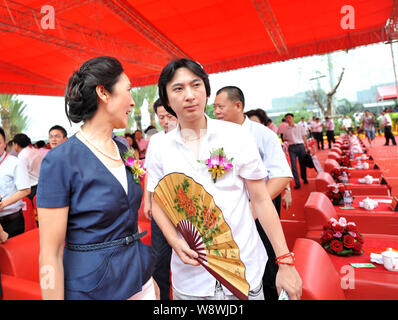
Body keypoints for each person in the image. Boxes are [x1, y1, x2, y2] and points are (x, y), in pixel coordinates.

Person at [145, 58, 302, 300]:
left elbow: (261, 200)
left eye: (196, 85)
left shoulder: (236, 136)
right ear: (166, 99)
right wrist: (173, 240)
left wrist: (285, 262)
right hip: (190, 279)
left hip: (244, 271)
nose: (189, 95)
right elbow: (157, 200)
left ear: (206, 91)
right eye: (178, 88)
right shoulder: (159, 145)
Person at [37, 56, 155, 300]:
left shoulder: (123, 149)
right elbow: (50, 253)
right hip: (94, 288)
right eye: (129, 90)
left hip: (139, 279)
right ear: (103, 93)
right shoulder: (60, 161)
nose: (133, 102)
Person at [214, 86, 293, 300]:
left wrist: (253, 207)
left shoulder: (262, 134)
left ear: (238, 106)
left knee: (266, 265)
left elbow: (282, 176)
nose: (216, 112)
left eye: (220, 107)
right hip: (232, 214)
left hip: (259, 210)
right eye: (213, 108)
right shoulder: (216, 136)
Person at [143, 98, 177, 300]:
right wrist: (148, 201)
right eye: (161, 117)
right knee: (160, 257)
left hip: (185, 206)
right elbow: (150, 172)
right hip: (161, 205)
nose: (165, 121)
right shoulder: (156, 140)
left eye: (169, 116)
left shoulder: (190, 136)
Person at [0, 127, 31, 239]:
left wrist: (3, 204)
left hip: (11, 221)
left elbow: (25, 190)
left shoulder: (15, 163)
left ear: (4, 143)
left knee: (13, 254)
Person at [13, 133, 43, 202]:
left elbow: (21, 174)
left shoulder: (22, 155)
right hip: (41, 184)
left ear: (16, 145)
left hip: (31, 187)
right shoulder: (35, 150)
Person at [283, 113, 309, 190]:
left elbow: (304, 137)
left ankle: (304, 178)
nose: (288, 119)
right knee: (294, 166)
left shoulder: (300, 126)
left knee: (302, 164)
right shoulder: (285, 129)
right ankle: (297, 183)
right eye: (286, 118)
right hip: (291, 148)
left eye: (289, 117)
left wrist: (307, 147)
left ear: (293, 118)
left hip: (300, 146)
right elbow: (284, 138)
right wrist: (287, 139)